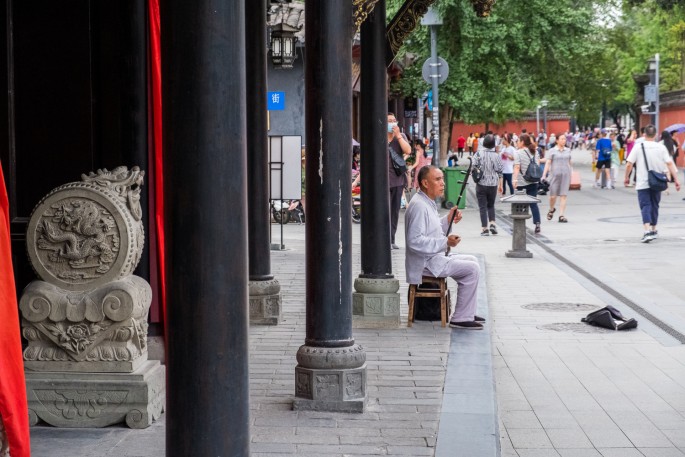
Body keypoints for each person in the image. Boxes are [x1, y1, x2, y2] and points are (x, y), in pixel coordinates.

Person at [405, 165, 483, 329]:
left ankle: (466, 311)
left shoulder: (427, 202)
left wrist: (448, 219)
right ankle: (461, 318)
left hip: (433, 257)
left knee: (472, 260)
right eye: (438, 179)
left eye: (442, 179)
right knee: (472, 268)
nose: (443, 183)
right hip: (425, 263)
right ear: (425, 183)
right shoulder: (419, 205)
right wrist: (445, 242)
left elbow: (432, 228)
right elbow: (414, 241)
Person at [624, 124, 681, 243]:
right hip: (657, 181)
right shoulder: (661, 147)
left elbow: (629, 164)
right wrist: (676, 179)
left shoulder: (638, 146)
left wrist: (626, 177)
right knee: (655, 205)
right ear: (655, 135)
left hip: (643, 182)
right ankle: (654, 229)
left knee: (645, 205)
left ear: (644, 134)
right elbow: (670, 163)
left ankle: (647, 231)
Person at [387, 113, 411, 250]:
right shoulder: (379, 136)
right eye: (389, 121)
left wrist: (398, 136)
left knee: (394, 211)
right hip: (382, 181)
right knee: (383, 211)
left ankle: (391, 239)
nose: (392, 123)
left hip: (397, 180)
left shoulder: (400, 137)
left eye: (394, 120)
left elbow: (408, 150)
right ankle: (382, 239)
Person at [473, 134, 503, 236]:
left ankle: (484, 229)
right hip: (493, 183)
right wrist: (501, 185)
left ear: (484, 143)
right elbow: (500, 170)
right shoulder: (496, 155)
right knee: (491, 205)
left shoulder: (478, 154)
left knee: (482, 207)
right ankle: (493, 224)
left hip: (481, 183)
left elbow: (473, 165)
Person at [513, 133, 542, 234]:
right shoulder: (535, 151)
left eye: (518, 141)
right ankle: (537, 223)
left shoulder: (518, 153)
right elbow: (537, 165)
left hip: (521, 182)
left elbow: (517, 167)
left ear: (522, 142)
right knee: (533, 203)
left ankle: (519, 225)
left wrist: (514, 180)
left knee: (519, 204)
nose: (517, 143)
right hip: (533, 181)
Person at [541, 133, 572, 223]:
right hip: (554, 176)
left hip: (566, 175)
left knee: (563, 195)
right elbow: (548, 163)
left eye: (565, 139)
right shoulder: (552, 151)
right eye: (562, 139)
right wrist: (544, 175)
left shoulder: (568, 150)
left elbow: (570, 162)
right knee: (553, 196)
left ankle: (561, 215)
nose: (564, 140)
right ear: (557, 140)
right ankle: (551, 209)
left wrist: (572, 173)